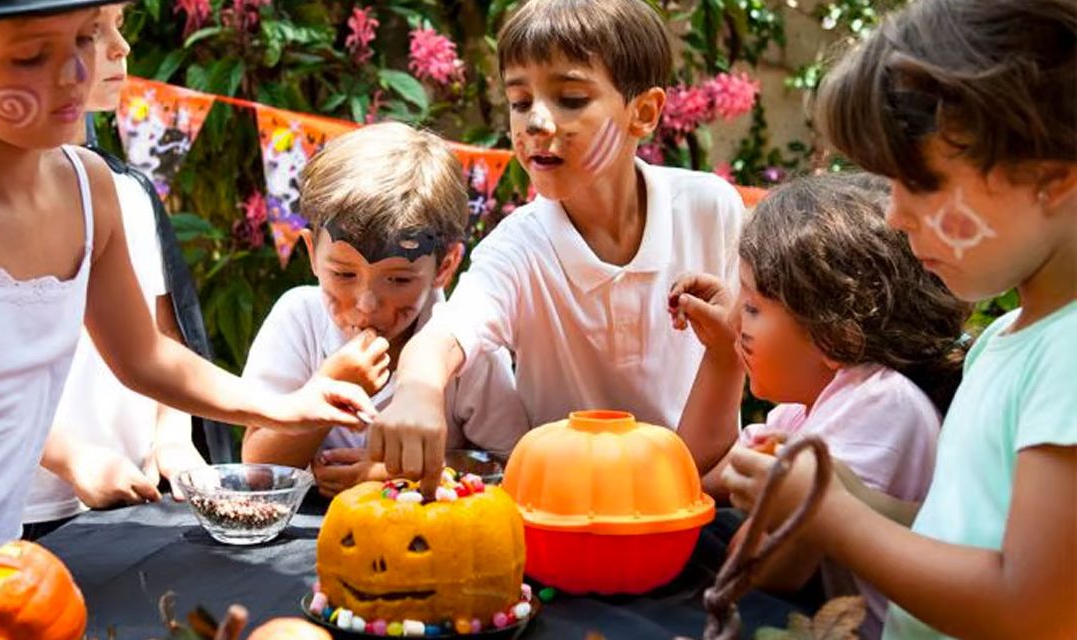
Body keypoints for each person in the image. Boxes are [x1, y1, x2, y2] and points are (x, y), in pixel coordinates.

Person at [0, 0, 374, 598]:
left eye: (85, 38)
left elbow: (145, 357)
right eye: (31, 56)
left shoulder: (89, 188)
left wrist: (285, 407)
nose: (75, 72)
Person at [721, 1, 1076, 637]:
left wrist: (833, 517)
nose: (894, 215)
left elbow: (1031, 608)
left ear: (1051, 178)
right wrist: (847, 497)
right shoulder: (1004, 339)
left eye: (922, 183)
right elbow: (955, 539)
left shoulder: (1068, 355)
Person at [367, 0, 747, 493]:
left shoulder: (711, 209)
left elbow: (749, 351)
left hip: (697, 494)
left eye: (570, 98)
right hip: (562, 507)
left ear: (644, 112)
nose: (535, 122)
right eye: (520, 102)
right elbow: (446, 334)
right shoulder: (517, 247)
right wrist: (417, 391)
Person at [672, 173, 968, 638]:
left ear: (835, 338)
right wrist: (722, 355)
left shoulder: (881, 402)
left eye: (752, 307)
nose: (734, 318)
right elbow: (692, 482)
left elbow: (768, 570)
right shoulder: (806, 410)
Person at [241, 122, 529, 497]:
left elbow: (512, 465)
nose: (366, 304)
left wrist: (393, 474)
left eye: (398, 279)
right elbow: (258, 471)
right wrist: (331, 387)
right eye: (344, 274)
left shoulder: (467, 348)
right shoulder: (298, 320)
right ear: (312, 254)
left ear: (444, 267)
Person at [22, 3, 212, 539]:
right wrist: (71, 458)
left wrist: (172, 435)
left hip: (132, 496)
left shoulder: (124, 190)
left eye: (118, 27)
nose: (120, 47)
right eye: (92, 31)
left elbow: (158, 339)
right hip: (24, 510)